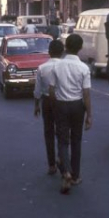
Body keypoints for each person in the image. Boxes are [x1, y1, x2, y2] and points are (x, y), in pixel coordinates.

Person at [49, 34, 92, 194]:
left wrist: (55, 107)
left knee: (62, 140)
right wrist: (89, 115)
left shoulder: (57, 66)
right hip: (77, 106)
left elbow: (51, 90)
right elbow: (86, 94)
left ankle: (65, 171)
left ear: (66, 46)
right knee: (76, 140)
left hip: (61, 105)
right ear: (80, 48)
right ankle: (75, 175)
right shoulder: (83, 68)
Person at [34, 39, 64, 175]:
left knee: (49, 132)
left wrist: (36, 105)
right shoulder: (66, 67)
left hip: (47, 101)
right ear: (62, 52)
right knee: (62, 131)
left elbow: (37, 90)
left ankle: (51, 164)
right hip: (63, 100)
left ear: (49, 52)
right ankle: (62, 157)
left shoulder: (42, 68)